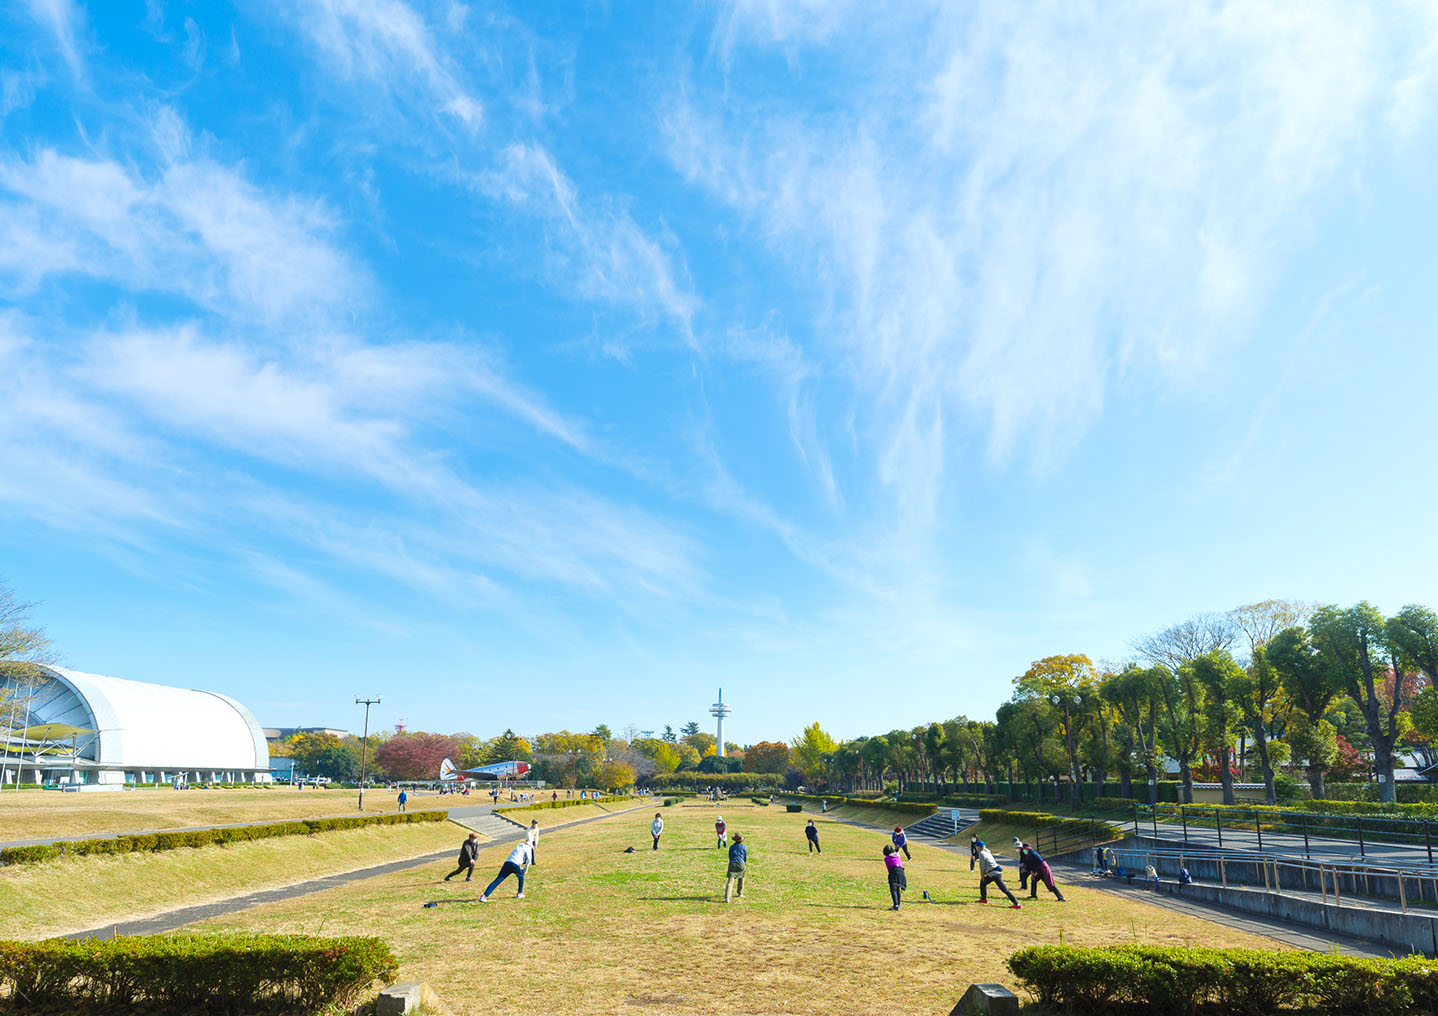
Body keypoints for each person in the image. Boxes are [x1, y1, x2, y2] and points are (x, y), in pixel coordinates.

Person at [972, 840, 1021, 909]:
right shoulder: (987, 852)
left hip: (994, 874)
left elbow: (982, 866)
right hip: (992, 872)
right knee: (983, 883)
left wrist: (982, 875)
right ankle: (983, 898)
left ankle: (1016, 903)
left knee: (1004, 889)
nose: (976, 849)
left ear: (980, 847)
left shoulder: (982, 854)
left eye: (977, 847)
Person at [724, 833, 747, 902]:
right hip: (741, 863)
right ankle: (740, 893)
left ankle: (727, 897)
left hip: (732, 863)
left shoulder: (731, 847)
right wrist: (744, 864)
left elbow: (730, 856)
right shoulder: (744, 847)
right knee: (741, 878)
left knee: (730, 881)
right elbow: (745, 856)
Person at [883, 843, 906, 910]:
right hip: (901, 872)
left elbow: (889, 868)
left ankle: (895, 905)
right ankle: (898, 904)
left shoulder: (887, 858)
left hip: (894, 872)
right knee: (898, 888)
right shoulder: (898, 856)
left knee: (893, 889)